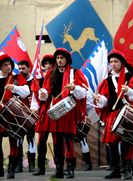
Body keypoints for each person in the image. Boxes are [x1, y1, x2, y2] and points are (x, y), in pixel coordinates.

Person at [95, 49, 133, 180]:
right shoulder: (107, 80)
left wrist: (128, 90)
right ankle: (116, 170)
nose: (113, 64)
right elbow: (106, 100)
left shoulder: (131, 77)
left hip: (127, 113)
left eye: (116, 61)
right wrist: (100, 100)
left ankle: (127, 169)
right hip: (113, 113)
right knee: (111, 143)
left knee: (126, 142)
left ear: (122, 62)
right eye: (111, 61)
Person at [38, 48, 88, 179]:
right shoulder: (50, 73)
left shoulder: (75, 72)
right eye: (58, 58)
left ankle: (70, 168)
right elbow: (46, 90)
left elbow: (84, 92)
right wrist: (42, 94)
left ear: (67, 60)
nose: (59, 60)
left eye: (62, 58)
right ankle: (59, 169)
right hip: (54, 107)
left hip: (67, 110)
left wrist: (74, 88)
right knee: (56, 140)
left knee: (68, 139)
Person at [0, 53, 30, 178]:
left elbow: (27, 91)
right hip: (0, 113)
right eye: (5, 65)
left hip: (13, 114)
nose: (8, 67)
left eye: (10, 64)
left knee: (14, 142)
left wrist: (14, 87)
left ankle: (11, 169)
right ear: (0, 67)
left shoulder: (17, 78)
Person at [31, 54, 56, 176]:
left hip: (55, 109)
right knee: (41, 140)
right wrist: (34, 108)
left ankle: (60, 167)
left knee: (57, 140)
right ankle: (41, 167)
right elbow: (35, 99)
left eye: (50, 63)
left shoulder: (58, 76)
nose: (48, 66)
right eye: (46, 64)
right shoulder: (39, 78)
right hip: (44, 111)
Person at [15, 60, 36, 173]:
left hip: (31, 113)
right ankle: (19, 164)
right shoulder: (16, 80)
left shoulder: (36, 81)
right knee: (19, 139)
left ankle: (32, 164)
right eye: (19, 68)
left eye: (23, 68)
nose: (21, 71)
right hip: (19, 114)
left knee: (31, 139)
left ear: (29, 68)